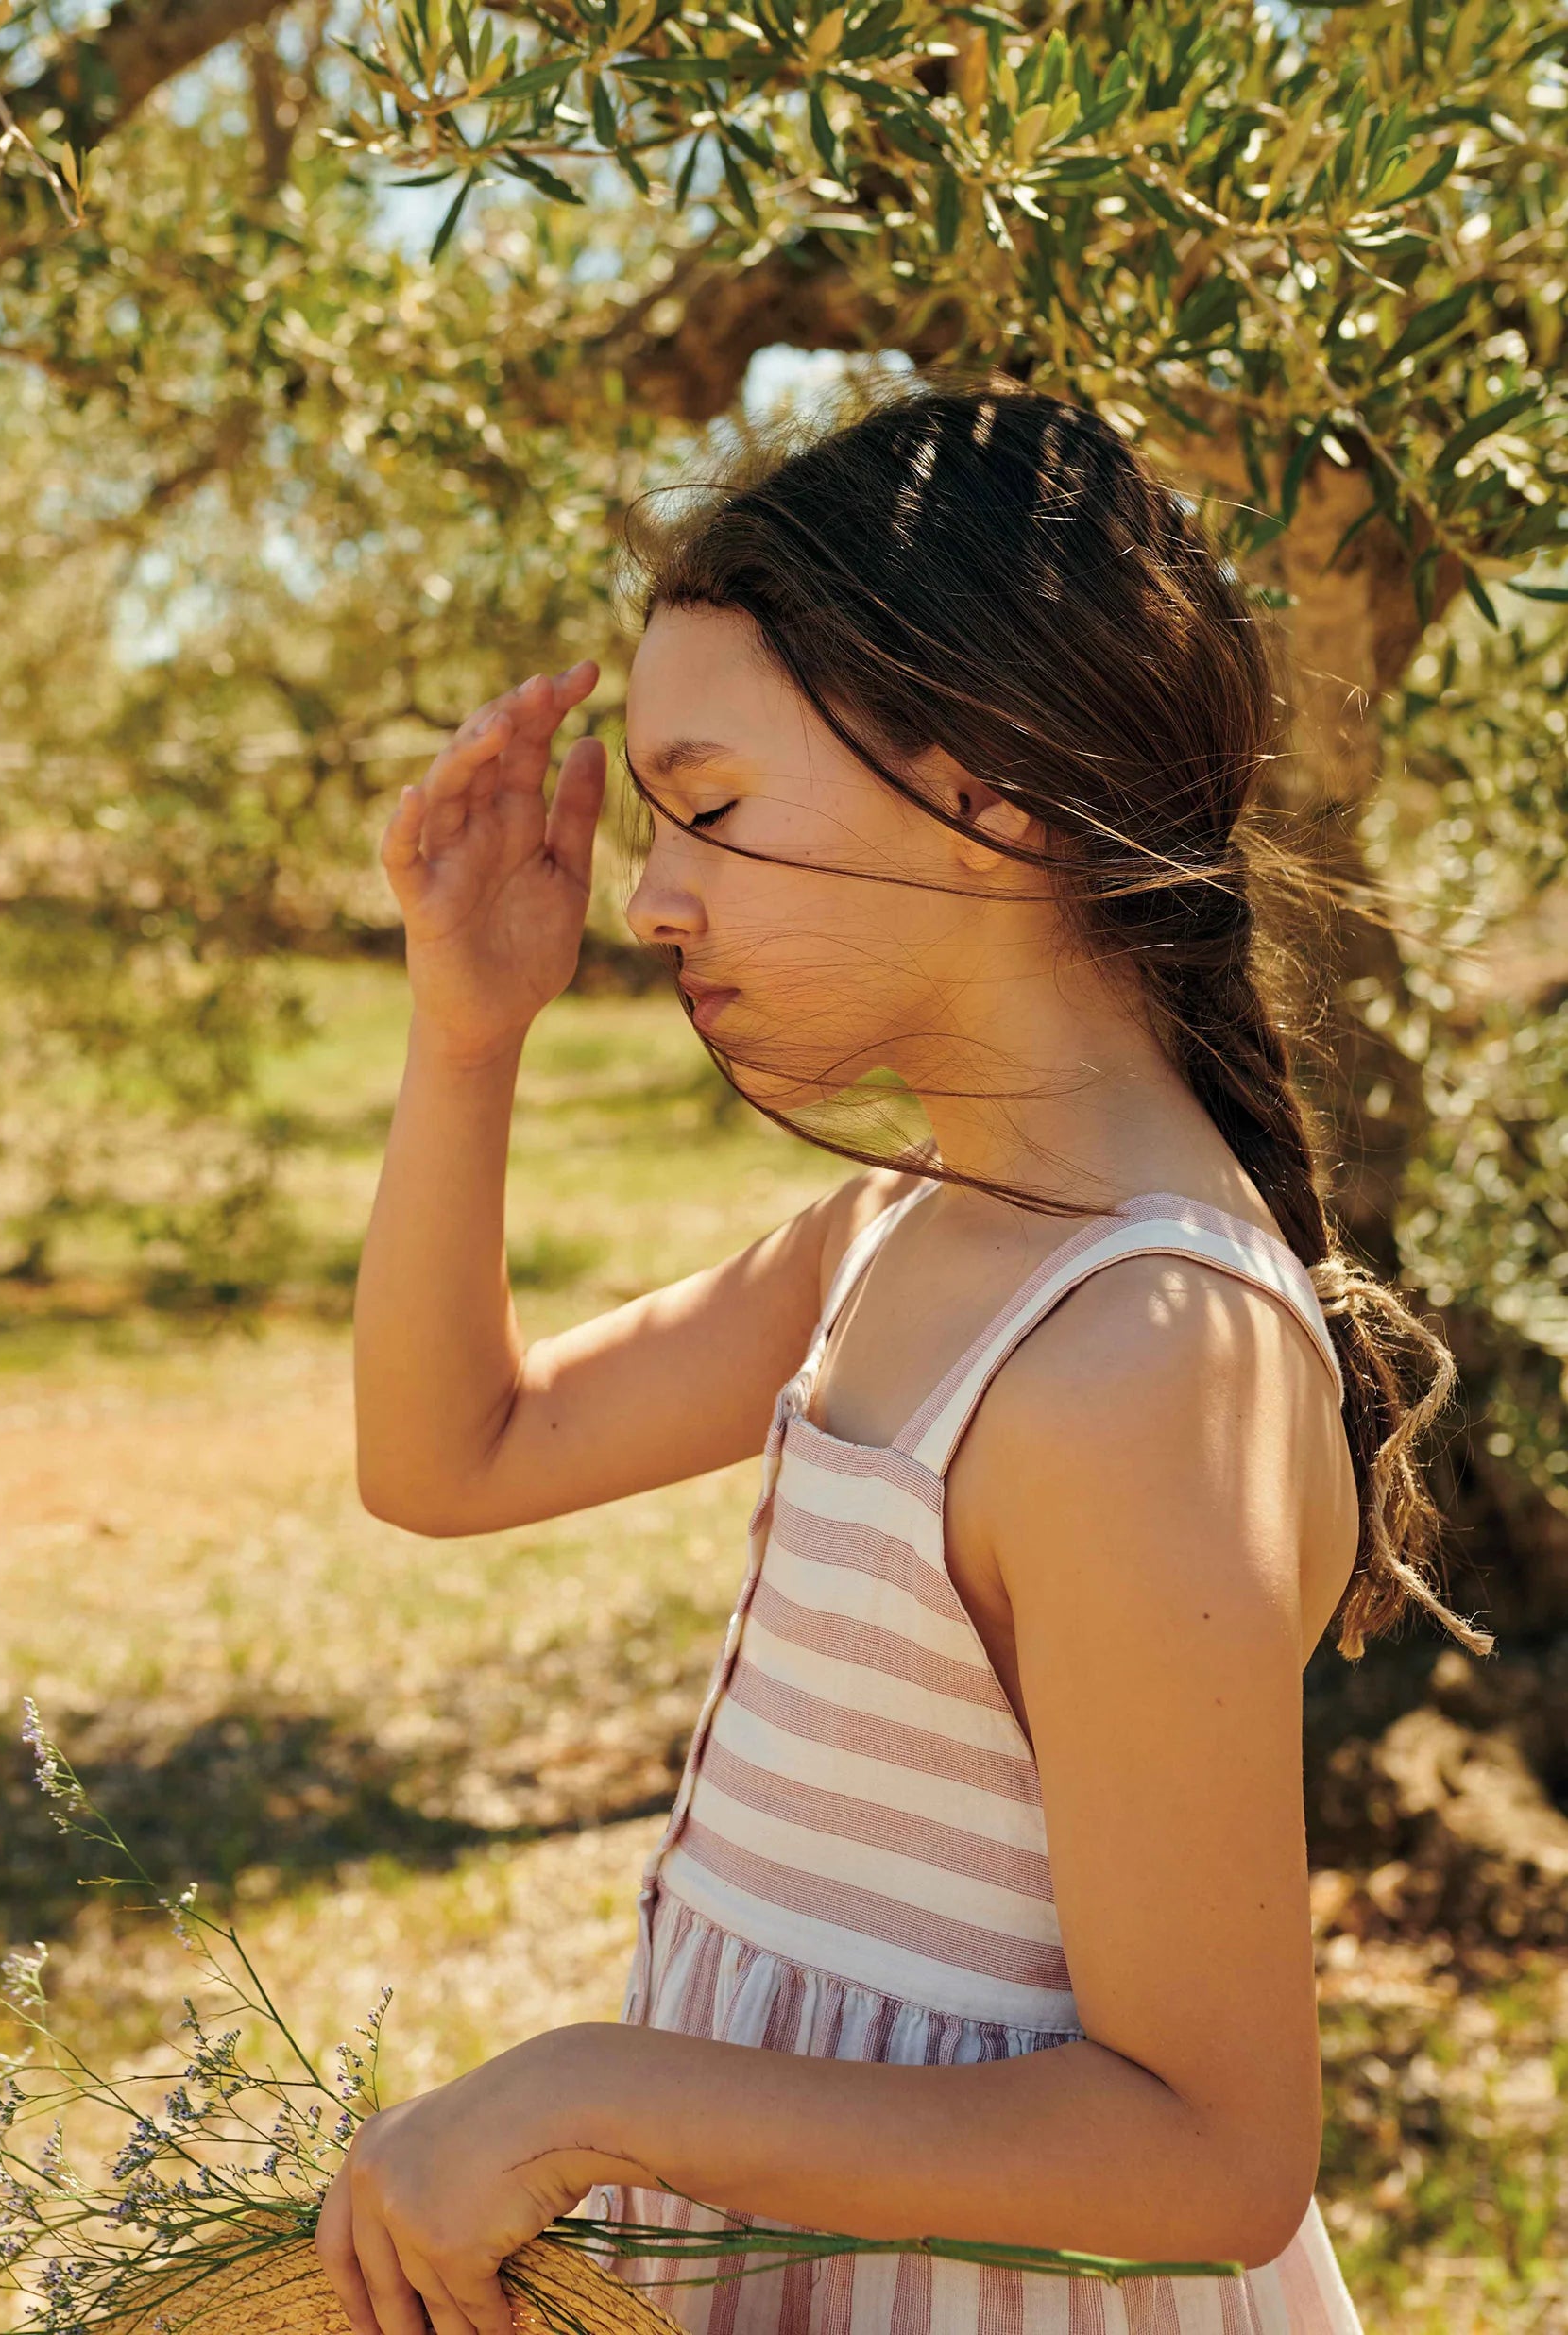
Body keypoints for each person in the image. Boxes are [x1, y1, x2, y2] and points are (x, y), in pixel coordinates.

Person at [321, 372, 1487, 2335]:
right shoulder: (901, 1234)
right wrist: (467, 1032)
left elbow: (1211, 2152)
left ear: (987, 791)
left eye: (708, 807)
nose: (650, 891)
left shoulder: (1140, 1360)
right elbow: (455, 1457)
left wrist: (603, 2096)